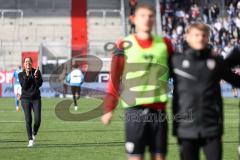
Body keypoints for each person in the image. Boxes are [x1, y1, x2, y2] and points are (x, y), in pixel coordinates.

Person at [101, 4, 173, 160]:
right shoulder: (123, 45)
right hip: (134, 112)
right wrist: (109, 108)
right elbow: (114, 78)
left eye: (150, 16)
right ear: (133, 19)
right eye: (143, 15)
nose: (147, 19)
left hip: (159, 112)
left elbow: (178, 74)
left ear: (155, 19)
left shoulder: (165, 44)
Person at [171, 22, 240, 160]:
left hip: (212, 128)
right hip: (185, 129)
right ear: (187, 37)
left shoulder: (216, 62)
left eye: (204, 35)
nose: (200, 38)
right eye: (196, 35)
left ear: (208, 38)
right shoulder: (175, 61)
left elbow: (236, 80)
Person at [18, 57, 43, 147]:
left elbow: (39, 84)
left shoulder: (37, 71)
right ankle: (30, 139)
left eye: (29, 61)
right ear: (24, 64)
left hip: (36, 98)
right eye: (26, 62)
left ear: (32, 63)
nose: (27, 63)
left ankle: (34, 133)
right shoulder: (21, 74)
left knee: (37, 120)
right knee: (28, 119)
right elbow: (24, 86)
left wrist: (36, 77)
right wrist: (28, 75)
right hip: (25, 99)